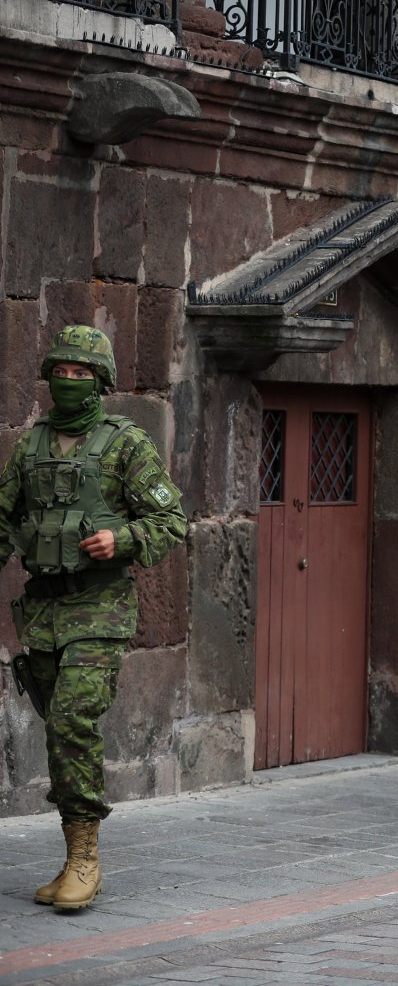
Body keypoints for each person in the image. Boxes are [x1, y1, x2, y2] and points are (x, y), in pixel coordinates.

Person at [0, 326, 188, 910]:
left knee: (74, 717)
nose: (70, 380)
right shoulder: (29, 448)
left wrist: (123, 538)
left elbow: (172, 521)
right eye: (62, 370)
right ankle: (71, 853)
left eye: (82, 373)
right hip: (44, 610)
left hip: (100, 610)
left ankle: (86, 857)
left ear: (101, 382)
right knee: (58, 728)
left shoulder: (126, 445)